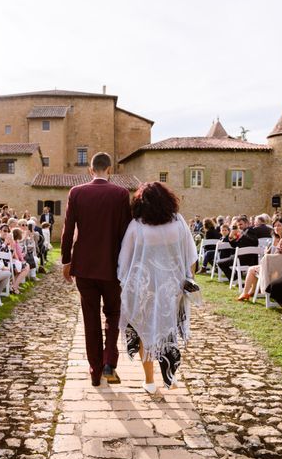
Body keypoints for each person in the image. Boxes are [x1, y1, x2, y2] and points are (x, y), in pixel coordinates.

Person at [118, 182, 197, 393]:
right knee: (167, 330)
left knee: (145, 331)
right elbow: (191, 254)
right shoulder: (178, 222)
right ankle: (170, 376)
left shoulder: (136, 225)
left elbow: (124, 260)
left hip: (144, 287)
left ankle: (149, 381)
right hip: (172, 286)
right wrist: (189, 278)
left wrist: (124, 285)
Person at [61, 152, 132, 386]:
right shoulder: (121, 194)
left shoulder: (77, 192)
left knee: (90, 319)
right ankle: (110, 361)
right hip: (113, 267)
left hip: (84, 268)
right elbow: (126, 233)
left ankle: (94, 372)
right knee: (113, 314)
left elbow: (68, 230)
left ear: (91, 170)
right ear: (109, 170)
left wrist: (66, 260)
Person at [236, 217, 282, 301]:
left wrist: (267, 252)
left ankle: (245, 293)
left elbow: (274, 257)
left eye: (279, 225)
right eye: (274, 226)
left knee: (251, 269)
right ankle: (252, 291)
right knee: (255, 268)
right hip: (281, 267)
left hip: (278, 270)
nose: (276, 228)